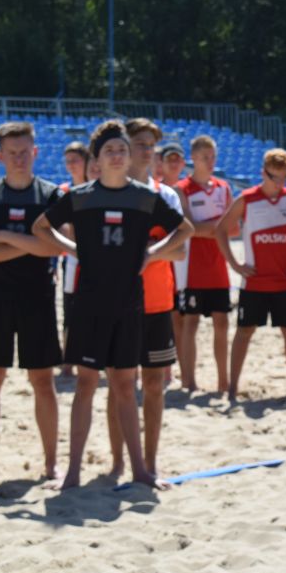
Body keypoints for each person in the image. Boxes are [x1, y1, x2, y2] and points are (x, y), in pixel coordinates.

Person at [32, 120, 193, 490]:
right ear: (97, 159)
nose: (117, 155)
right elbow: (41, 227)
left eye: (122, 149)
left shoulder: (144, 196)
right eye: (110, 151)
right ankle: (73, 472)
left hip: (129, 303)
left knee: (124, 384)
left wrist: (151, 253)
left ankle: (140, 470)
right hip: (89, 303)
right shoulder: (81, 196)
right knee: (86, 383)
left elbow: (184, 229)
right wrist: (74, 249)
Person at [0, 122, 64, 485]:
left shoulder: (50, 195)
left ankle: (51, 462)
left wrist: (4, 236)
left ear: (35, 152)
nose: (19, 158)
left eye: (25, 151)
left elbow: (55, 247)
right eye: (12, 153)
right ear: (0, 156)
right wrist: (30, 244)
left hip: (38, 294)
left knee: (42, 379)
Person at [109, 117, 186, 479]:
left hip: (157, 303)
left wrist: (147, 254)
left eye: (150, 145)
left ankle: (151, 464)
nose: (146, 151)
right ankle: (118, 463)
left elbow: (179, 250)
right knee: (120, 386)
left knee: (154, 385)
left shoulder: (165, 196)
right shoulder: (109, 193)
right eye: (140, 143)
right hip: (116, 304)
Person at [220, 148, 286, 399]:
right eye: (275, 177)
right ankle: (232, 388)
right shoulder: (247, 199)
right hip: (254, 283)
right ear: (263, 173)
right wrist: (235, 264)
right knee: (244, 332)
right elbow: (221, 230)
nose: (280, 183)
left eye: (285, 177)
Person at [175, 135, 234, 393]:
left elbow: (233, 228)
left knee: (222, 322)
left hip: (219, 265)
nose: (210, 162)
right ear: (194, 159)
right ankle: (189, 381)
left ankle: (223, 381)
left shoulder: (223, 187)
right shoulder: (182, 189)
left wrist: (208, 229)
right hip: (193, 268)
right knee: (191, 322)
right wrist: (216, 228)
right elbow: (189, 228)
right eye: (205, 157)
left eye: (213, 157)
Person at [59, 141, 90, 378]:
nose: (71, 164)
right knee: (70, 309)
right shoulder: (64, 191)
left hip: (94, 258)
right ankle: (68, 360)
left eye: (75, 160)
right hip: (72, 257)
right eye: (68, 160)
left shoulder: (96, 189)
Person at [157, 141, 189, 372]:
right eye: (170, 159)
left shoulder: (182, 190)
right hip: (162, 259)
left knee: (179, 317)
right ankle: (167, 368)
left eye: (177, 159)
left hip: (180, 261)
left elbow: (187, 228)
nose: (174, 163)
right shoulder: (156, 191)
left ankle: (175, 368)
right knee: (167, 315)